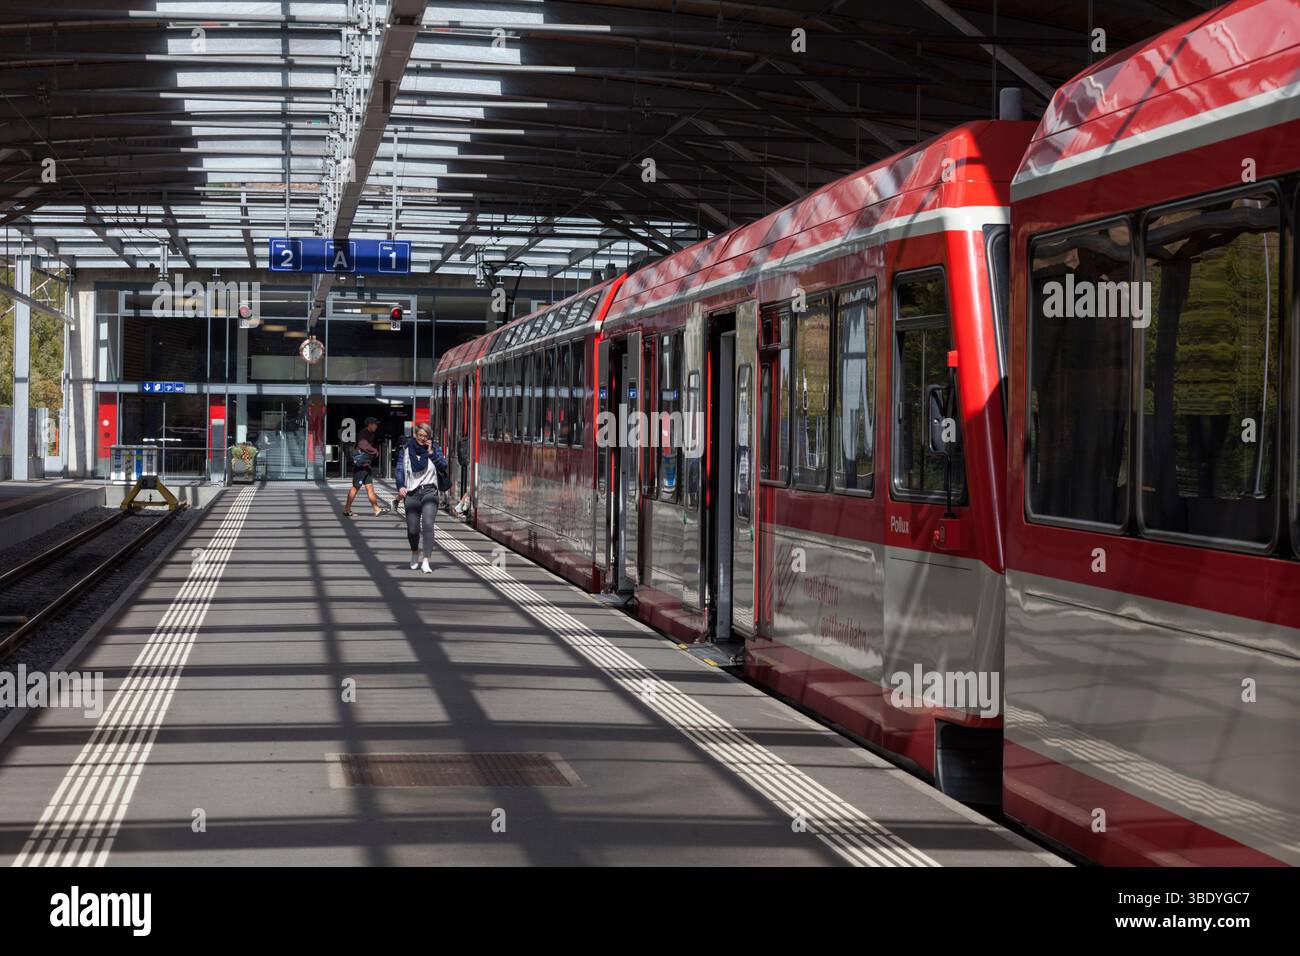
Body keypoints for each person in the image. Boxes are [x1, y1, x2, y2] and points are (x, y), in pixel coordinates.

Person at [396, 422, 448, 573]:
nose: (422, 439)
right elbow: (400, 470)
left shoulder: (434, 449)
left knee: (428, 524)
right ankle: (415, 552)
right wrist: (400, 486)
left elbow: (443, 466)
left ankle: (426, 560)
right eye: (420, 435)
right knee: (413, 529)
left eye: (426, 436)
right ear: (415, 435)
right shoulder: (406, 449)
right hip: (412, 493)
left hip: (430, 491)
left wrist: (431, 452)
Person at [343, 416, 391, 517]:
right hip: (361, 466)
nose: (376, 426)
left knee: (370, 487)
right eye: (375, 424)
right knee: (356, 487)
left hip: (366, 465)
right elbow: (362, 445)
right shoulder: (363, 434)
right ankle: (346, 509)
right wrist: (375, 451)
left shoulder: (370, 433)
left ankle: (376, 509)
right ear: (370, 425)